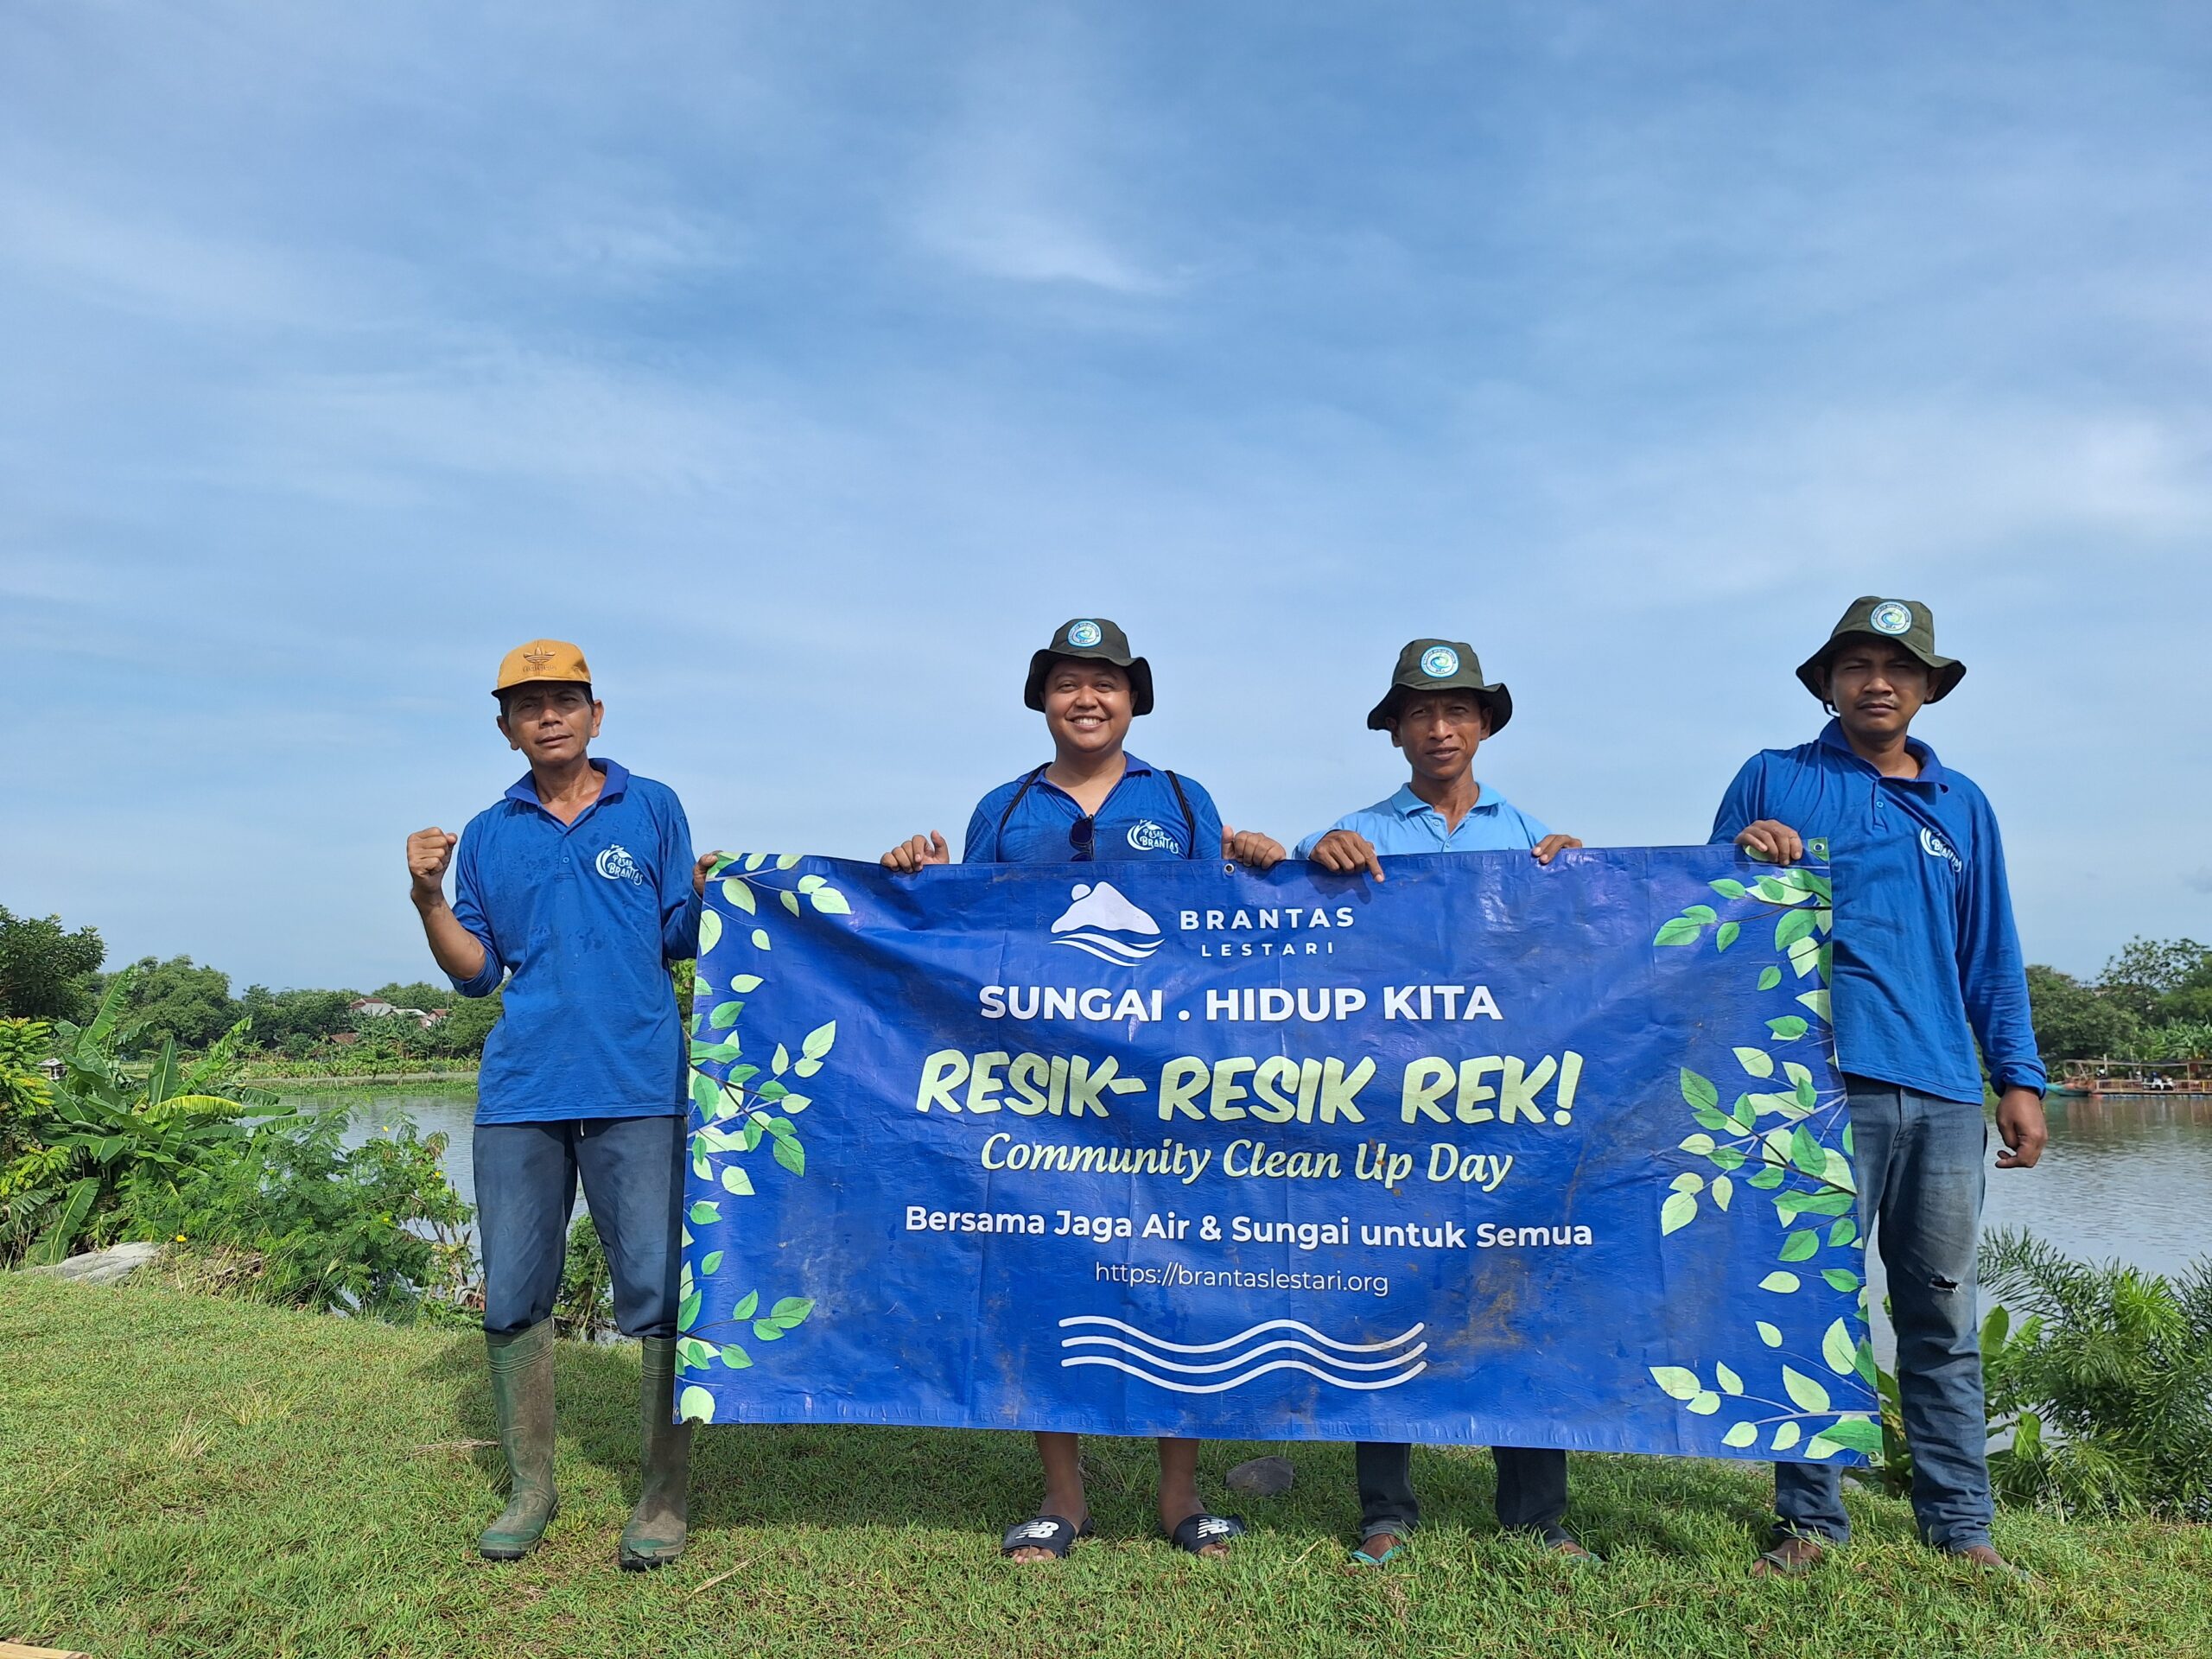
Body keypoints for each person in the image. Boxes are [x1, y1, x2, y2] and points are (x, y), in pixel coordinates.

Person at [882, 616, 1287, 1562]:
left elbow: (1222, 938)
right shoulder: (1004, 805)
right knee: (1042, 1277)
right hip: (1039, 1093)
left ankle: (1180, 1497)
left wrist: (1266, 868)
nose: (1087, 698)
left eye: (1105, 682)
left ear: (1134, 698)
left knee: (1174, 1279)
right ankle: (1062, 1499)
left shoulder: (1184, 801)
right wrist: (915, 878)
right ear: (1043, 701)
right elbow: (963, 932)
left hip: (1163, 1089)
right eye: (1067, 682)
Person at [1709, 596, 2046, 1578]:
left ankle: (1960, 1527)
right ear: (1826, 683)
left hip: (1943, 1092)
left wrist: (2016, 1079)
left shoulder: (1962, 805)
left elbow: (1990, 951)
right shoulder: (1774, 778)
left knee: (1939, 1314)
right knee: (1813, 1306)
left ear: (1929, 688)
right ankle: (1809, 1525)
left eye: (1898, 667)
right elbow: (1706, 920)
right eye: (1855, 664)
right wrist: (1743, 857)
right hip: (1811, 1088)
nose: (1877, 681)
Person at [405, 639, 713, 1569]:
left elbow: (679, 938)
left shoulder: (651, 806)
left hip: (640, 1083)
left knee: (658, 1291)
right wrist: (426, 898)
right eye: (527, 704)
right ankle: (529, 1486)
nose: (548, 715)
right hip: (522, 1089)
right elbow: (476, 972)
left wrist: (710, 894)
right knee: (513, 1292)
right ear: (506, 729)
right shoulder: (489, 831)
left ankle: (663, 1491)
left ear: (596, 714)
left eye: (565, 700)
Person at [1297, 638, 1590, 1567]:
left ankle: (1537, 1516)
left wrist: (1585, 879)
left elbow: (1576, 952)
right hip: (1390, 1115)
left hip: (1503, 1116)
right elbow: (1303, 948)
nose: (1439, 728)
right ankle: (1385, 1511)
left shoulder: (1530, 836)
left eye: (1457, 710)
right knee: (1383, 1296)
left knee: (1521, 1298)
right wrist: (1309, 859)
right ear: (1395, 732)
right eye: (1420, 713)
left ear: (1484, 725)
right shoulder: (1355, 835)